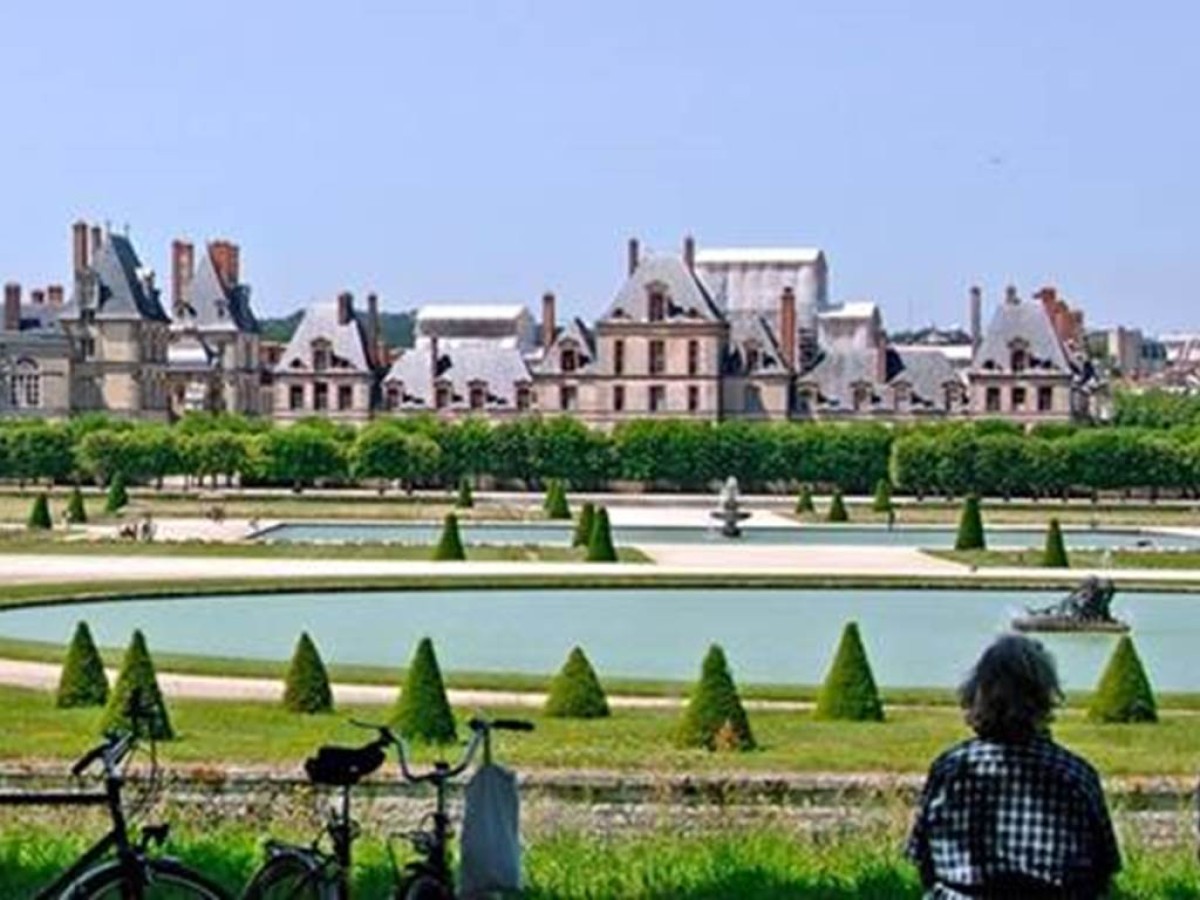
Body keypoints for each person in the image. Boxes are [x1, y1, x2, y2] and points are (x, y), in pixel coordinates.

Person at [906, 634, 1120, 899]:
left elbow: (922, 860)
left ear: (976, 695)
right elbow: (1104, 870)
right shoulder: (1075, 775)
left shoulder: (950, 769)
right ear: (1045, 697)